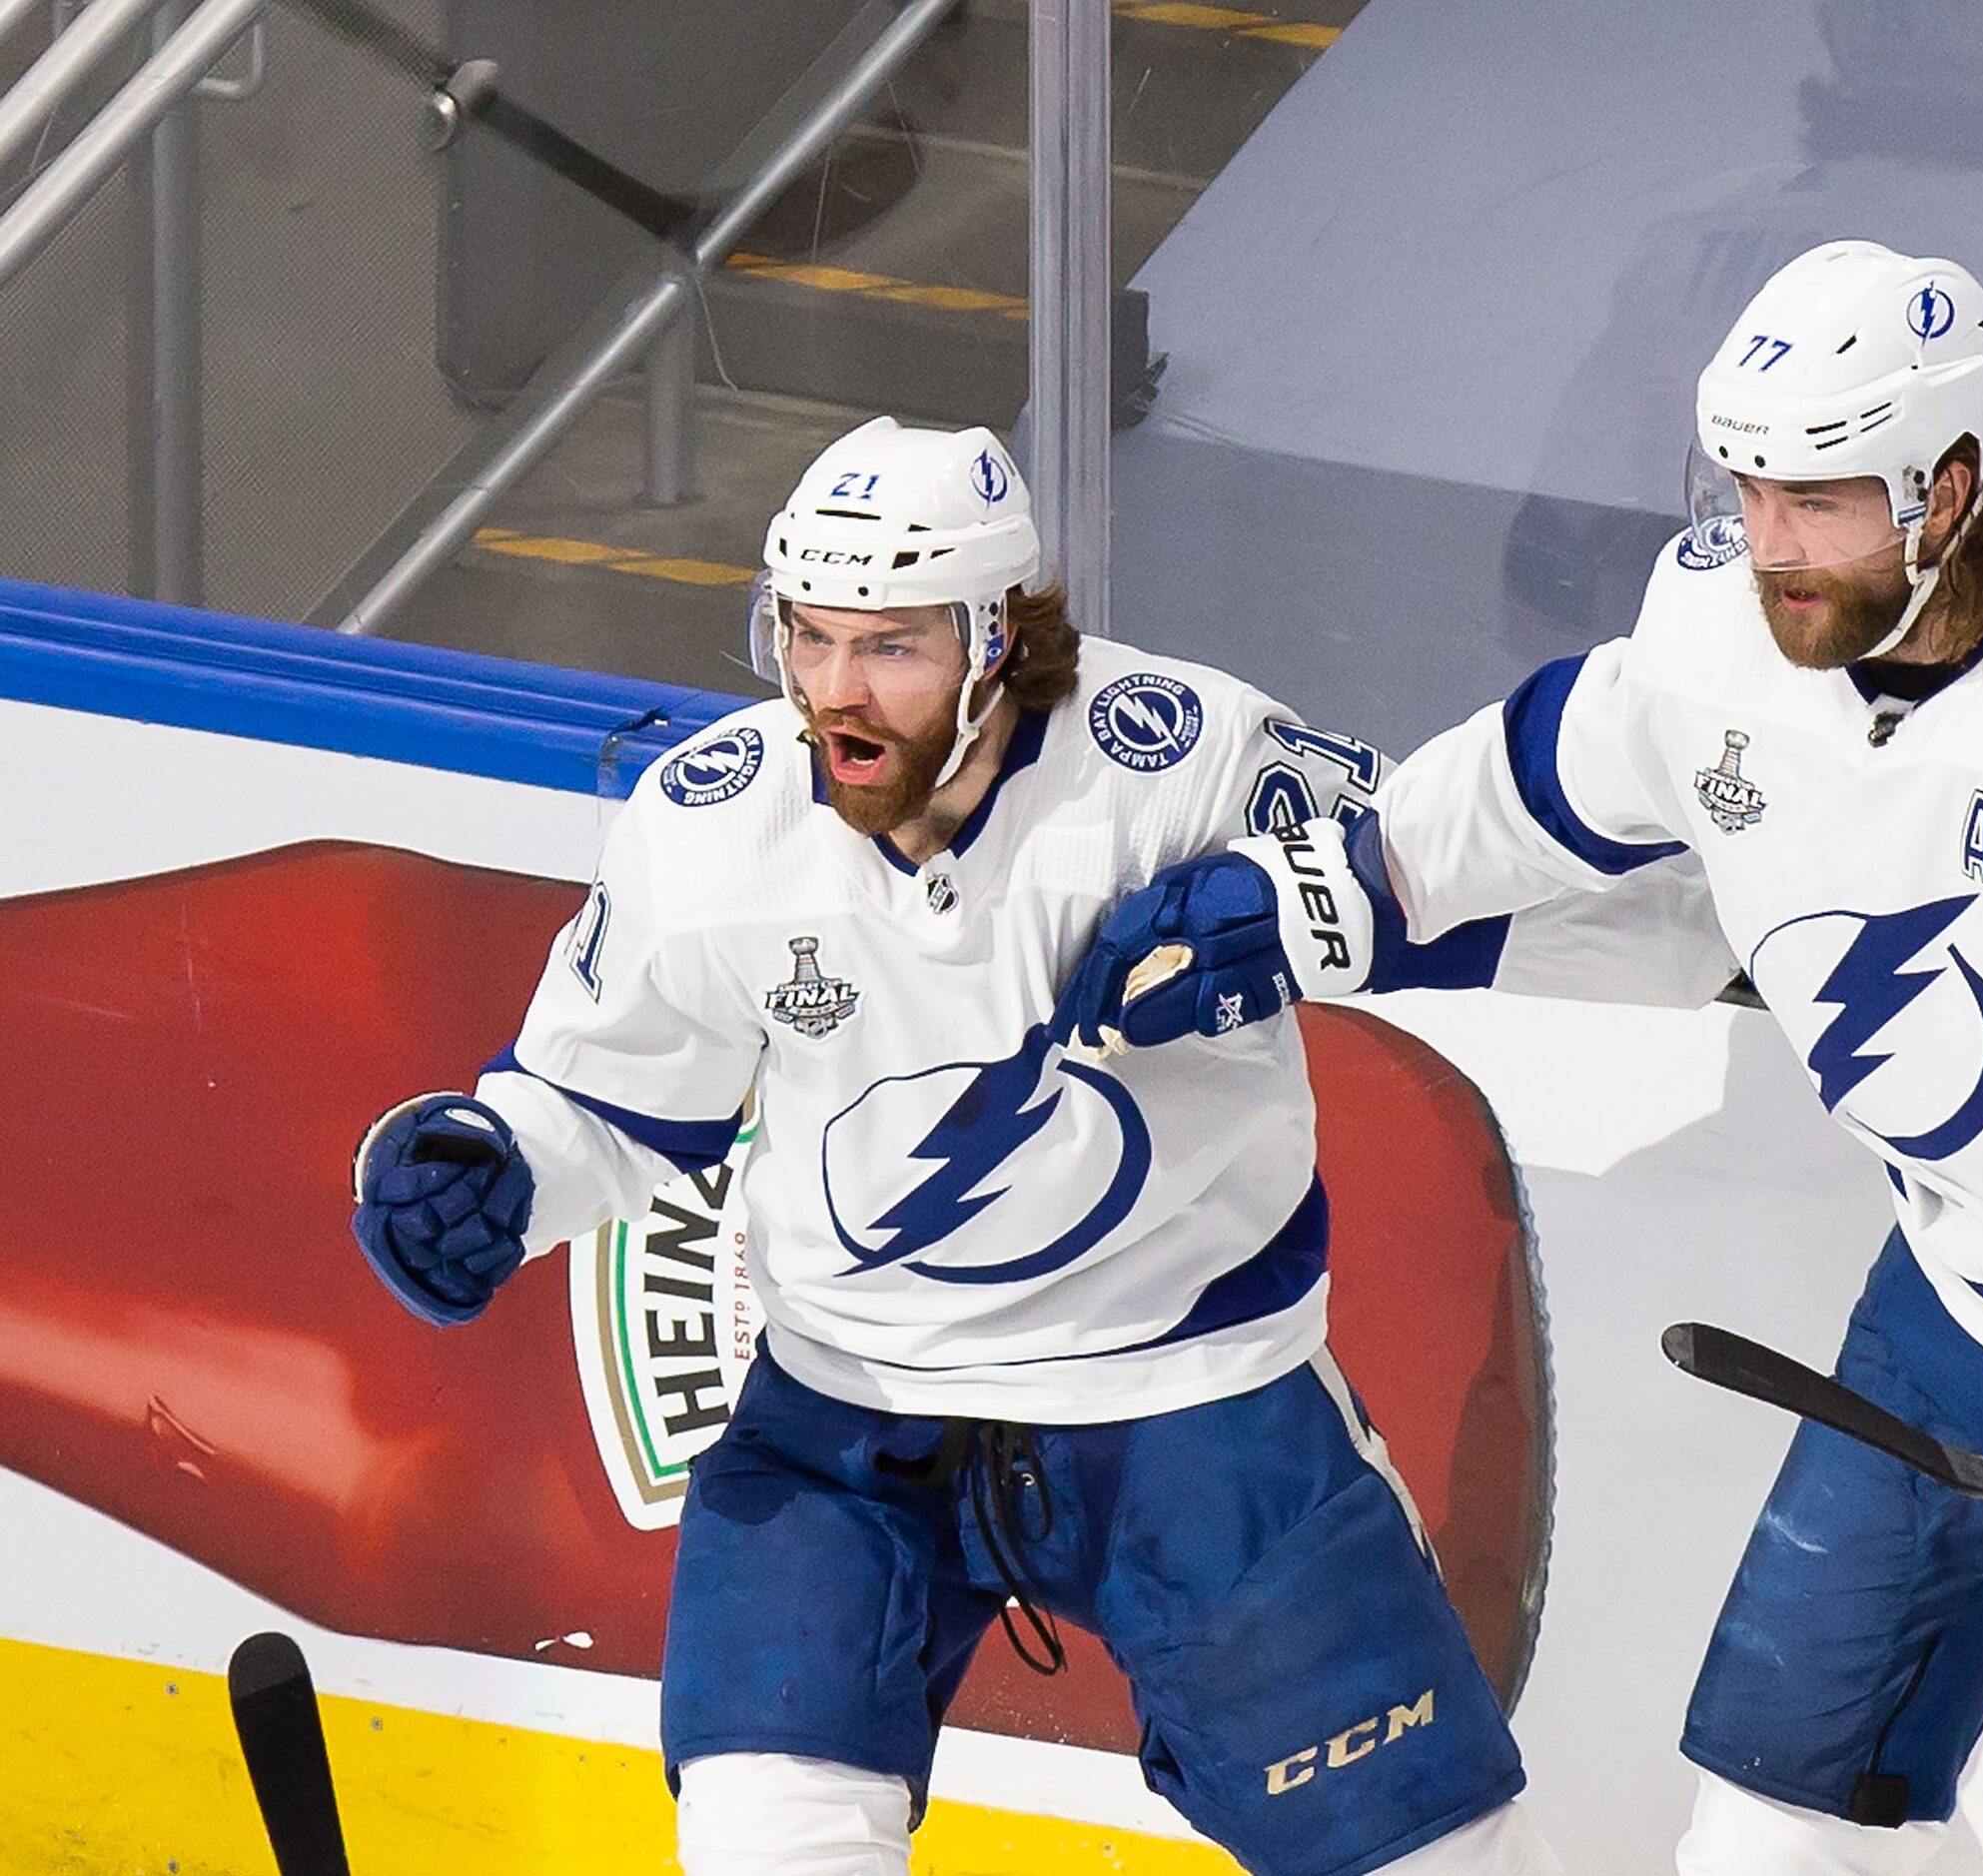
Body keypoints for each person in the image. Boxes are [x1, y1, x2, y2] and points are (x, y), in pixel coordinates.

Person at [1055, 242, 1983, 1875]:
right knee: (1763, 1842)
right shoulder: (1717, 636)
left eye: (1819, 500)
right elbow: (1512, 803)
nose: (1767, 545)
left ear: (1950, 483)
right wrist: (1308, 893)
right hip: (1966, 1301)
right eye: (1745, 490)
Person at [346, 416, 1606, 1876]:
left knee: (1432, 1856)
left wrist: (1315, 908)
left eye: (886, 645)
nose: (833, 692)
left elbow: (1459, 876)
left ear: (999, 635)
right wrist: (489, 1164)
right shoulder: (717, 818)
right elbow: (602, 1096)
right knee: (770, 1841)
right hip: (845, 1425)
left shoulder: (1182, 764)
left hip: (1189, 1403)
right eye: (803, 638)